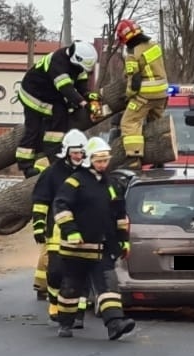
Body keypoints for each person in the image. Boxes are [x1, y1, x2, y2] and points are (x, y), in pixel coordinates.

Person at [51, 135, 136, 340]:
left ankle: (115, 323)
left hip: (103, 247)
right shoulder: (74, 182)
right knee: (72, 286)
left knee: (108, 284)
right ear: (89, 160)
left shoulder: (112, 184)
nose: (102, 164)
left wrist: (123, 240)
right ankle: (65, 322)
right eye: (98, 160)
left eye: (105, 160)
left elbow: (120, 216)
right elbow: (60, 206)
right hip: (77, 248)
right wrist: (71, 231)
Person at [30, 128, 91, 323]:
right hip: (57, 231)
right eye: (74, 152)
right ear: (66, 152)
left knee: (81, 272)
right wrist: (39, 226)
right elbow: (41, 201)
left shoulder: (90, 173)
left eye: (81, 152)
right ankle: (55, 301)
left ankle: (78, 312)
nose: (78, 156)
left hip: (84, 232)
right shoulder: (52, 173)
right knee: (56, 272)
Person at [16, 40, 97, 177]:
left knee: (60, 119)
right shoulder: (58, 63)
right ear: (75, 59)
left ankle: (54, 153)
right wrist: (82, 103)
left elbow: (81, 83)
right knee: (33, 130)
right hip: (33, 94)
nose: (81, 70)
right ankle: (26, 166)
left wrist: (89, 95)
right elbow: (66, 88)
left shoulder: (77, 64)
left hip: (51, 94)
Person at [115, 18, 168, 170]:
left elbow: (135, 81)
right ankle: (160, 158)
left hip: (146, 95)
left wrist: (128, 95)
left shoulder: (132, 54)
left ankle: (133, 159)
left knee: (129, 122)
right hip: (162, 93)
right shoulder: (154, 46)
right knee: (156, 124)